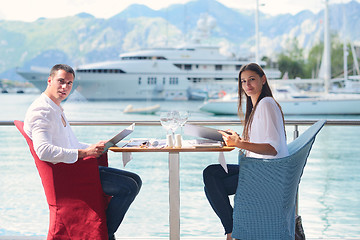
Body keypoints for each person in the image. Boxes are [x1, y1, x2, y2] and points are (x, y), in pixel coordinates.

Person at [24, 64, 142, 240]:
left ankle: (103, 232)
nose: (65, 87)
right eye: (61, 81)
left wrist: (93, 147)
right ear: (49, 81)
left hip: (73, 168)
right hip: (68, 176)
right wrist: (85, 153)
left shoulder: (54, 107)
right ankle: (104, 234)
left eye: (69, 83)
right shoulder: (42, 111)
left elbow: (69, 143)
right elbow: (43, 151)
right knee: (128, 187)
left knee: (135, 180)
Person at [203, 63, 288, 240]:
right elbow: (263, 142)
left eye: (252, 79)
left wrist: (240, 144)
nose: (247, 85)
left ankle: (233, 231)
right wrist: (239, 140)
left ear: (263, 80)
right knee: (211, 176)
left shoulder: (266, 104)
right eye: (243, 81)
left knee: (212, 183)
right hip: (259, 169)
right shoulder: (258, 106)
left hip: (266, 174)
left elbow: (272, 149)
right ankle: (233, 230)